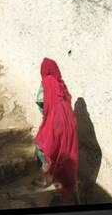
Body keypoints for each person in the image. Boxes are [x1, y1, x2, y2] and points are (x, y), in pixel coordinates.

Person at [33, 57, 80, 202]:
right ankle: (72, 191)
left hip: (57, 122)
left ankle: (47, 179)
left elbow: (40, 101)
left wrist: (46, 117)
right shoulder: (62, 83)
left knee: (44, 148)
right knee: (66, 154)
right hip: (70, 123)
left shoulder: (46, 82)